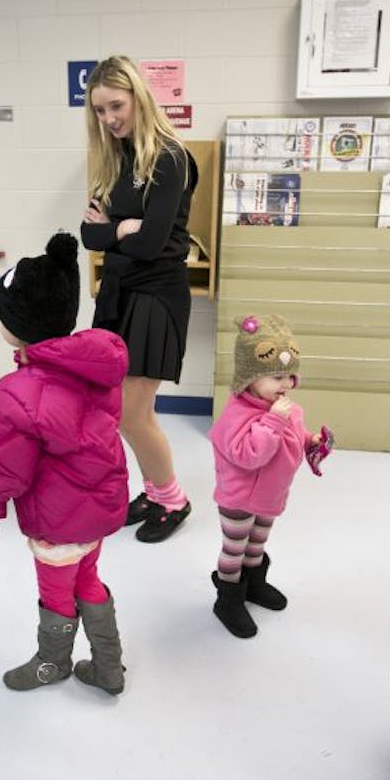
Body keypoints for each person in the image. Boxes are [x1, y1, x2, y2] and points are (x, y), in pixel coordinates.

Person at [0, 233, 129, 695]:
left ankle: (52, 664)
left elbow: (7, 473)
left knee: (56, 592)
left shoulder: (13, 395)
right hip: (99, 509)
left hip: (58, 520)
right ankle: (109, 668)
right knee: (90, 578)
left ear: (13, 323)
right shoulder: (92, 370)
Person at [80, 54, 198, 544]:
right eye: (100, 111)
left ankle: (173, 499)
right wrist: (121, 229)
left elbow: (152, 245)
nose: (109, 119)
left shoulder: (170, 157)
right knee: (125, 410)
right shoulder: (117, 158)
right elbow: (89, 237)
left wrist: (116, 230)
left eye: (115, 106)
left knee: (133, 412)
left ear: (138, 97)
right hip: (120, 293)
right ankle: (153, 489)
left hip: (155, 296)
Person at [208, 315, 332, 638]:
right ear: (250, 377)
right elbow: (250, 455)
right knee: (235, 549)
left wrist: (311, 441)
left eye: (289, 376)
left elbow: (296, 435)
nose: (285, 385)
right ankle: (228, 598)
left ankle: (253, 584)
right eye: (276, 377)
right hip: (239, 497)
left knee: (257, 544)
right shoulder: (237, 415)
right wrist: (274, 422)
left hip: (269, 496)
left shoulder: (285, 408)